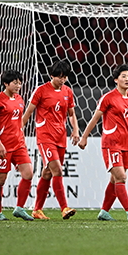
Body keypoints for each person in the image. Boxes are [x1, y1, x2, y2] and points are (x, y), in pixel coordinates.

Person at [78, 64, 128, 221]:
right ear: (116, 79)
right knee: (121, 177)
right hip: (111, 143)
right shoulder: (108, 98)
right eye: (123, 76)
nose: (127, 79)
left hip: (126, 143)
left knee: (115, 180)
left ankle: (104, 212)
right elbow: (95, 118)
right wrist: (84, 137)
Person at [22, 60, 80, 220]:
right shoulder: (41, 91)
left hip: (61, 137)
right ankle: (64, 208)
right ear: (51, 75)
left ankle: (37, 210)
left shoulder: (68, 91)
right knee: (57, 170)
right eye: (59, 77)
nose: (62, 80)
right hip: (45, 137)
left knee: (47, 172)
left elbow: (71, 114)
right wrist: (18, 130)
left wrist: (75, 129)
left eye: (65, 77)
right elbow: (28, 113)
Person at [0, 70, 35, 221]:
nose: (18, 85)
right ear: (6, 83)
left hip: (19, 144)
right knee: (0, 180)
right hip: (3, 146)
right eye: (15, 82)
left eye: (20, 82)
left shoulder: (20, 99)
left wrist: (21, 136)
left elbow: (18, 122)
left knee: (28, 174)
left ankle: (19, 208)